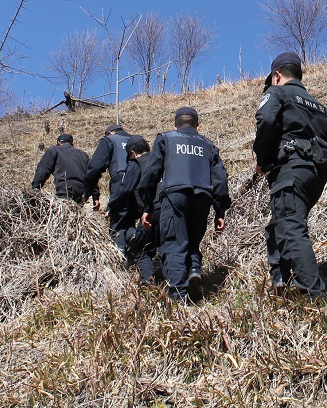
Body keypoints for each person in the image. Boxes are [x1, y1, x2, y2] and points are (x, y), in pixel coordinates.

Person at [253, 51, 327, 299]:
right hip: (315, 177)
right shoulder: (321, 108)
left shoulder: (277, 92)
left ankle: (316, 297)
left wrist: (261, 160)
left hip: (291, 169)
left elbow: (265, 120)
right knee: (279, 223)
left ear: (277, 75)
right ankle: (281, 277)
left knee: (292, 227)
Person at [138, 106, 231, 303]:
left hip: (175, 196)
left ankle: (179, 296)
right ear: (198, 127)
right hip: (203, 198)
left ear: (176, 125)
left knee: (175, 244)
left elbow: (151, 174)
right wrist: (220, 210)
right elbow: (221, 179)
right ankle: (195, 269)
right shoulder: (209, 145)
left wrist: (147, 207)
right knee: (193, 240)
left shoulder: (166, 138)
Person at [119, 136, 160, 286]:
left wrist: (112, 207)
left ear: (132, 153)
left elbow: (125, 190)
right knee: (169, 247)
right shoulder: (162, 159)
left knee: (143, 252)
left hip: (149, 213)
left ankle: (148, 281)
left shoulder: (136, 163)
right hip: (171, 210)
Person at [87, 123, 135, 241]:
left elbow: (96, 167)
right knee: (130, 219)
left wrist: (88, 190)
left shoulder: (109, 140)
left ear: (111, 133)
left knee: (117, 223)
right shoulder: (137, 140)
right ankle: (134, 236)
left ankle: (120, 255)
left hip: (120, 181)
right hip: (139, 183)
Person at [31, 133, 93, 203]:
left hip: (66, 189)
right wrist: (95, 195)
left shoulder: (54, 150)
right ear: (71, 143)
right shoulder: (83, 155)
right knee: (75, 212)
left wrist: (35, 189)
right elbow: (92, 174)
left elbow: (43, 170)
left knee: (64, 210)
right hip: (81, 192)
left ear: (58, 142)